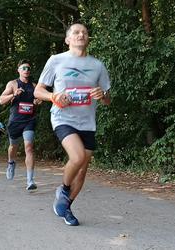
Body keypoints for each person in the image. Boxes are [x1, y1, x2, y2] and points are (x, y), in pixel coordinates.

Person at [34, 22, 111, 226]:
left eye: (84, 32)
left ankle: (66, 207)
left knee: (83, 170)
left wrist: (102, 95)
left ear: (88, 39)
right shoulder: (56, 60)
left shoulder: (97, 65)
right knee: (76, 157)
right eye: (76, 32)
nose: (81, 34)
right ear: (68, 39)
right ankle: (64, 190)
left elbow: (107, 98)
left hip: (88, 122)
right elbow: (38, 91)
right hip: (63, 118)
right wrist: (54, 96)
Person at [0, 59, 41, 190]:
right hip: (15, 121)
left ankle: (30, 180)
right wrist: (13, 94)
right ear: (18, 70)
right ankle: (11, 163)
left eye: (28, 68)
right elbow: (1, 100)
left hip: (29, 120)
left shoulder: (34, 86)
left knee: (29, 147)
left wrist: (38, 101)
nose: (26, 70)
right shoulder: (13, 84)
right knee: (13, 147)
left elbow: (39, 99)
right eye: (23, 68)